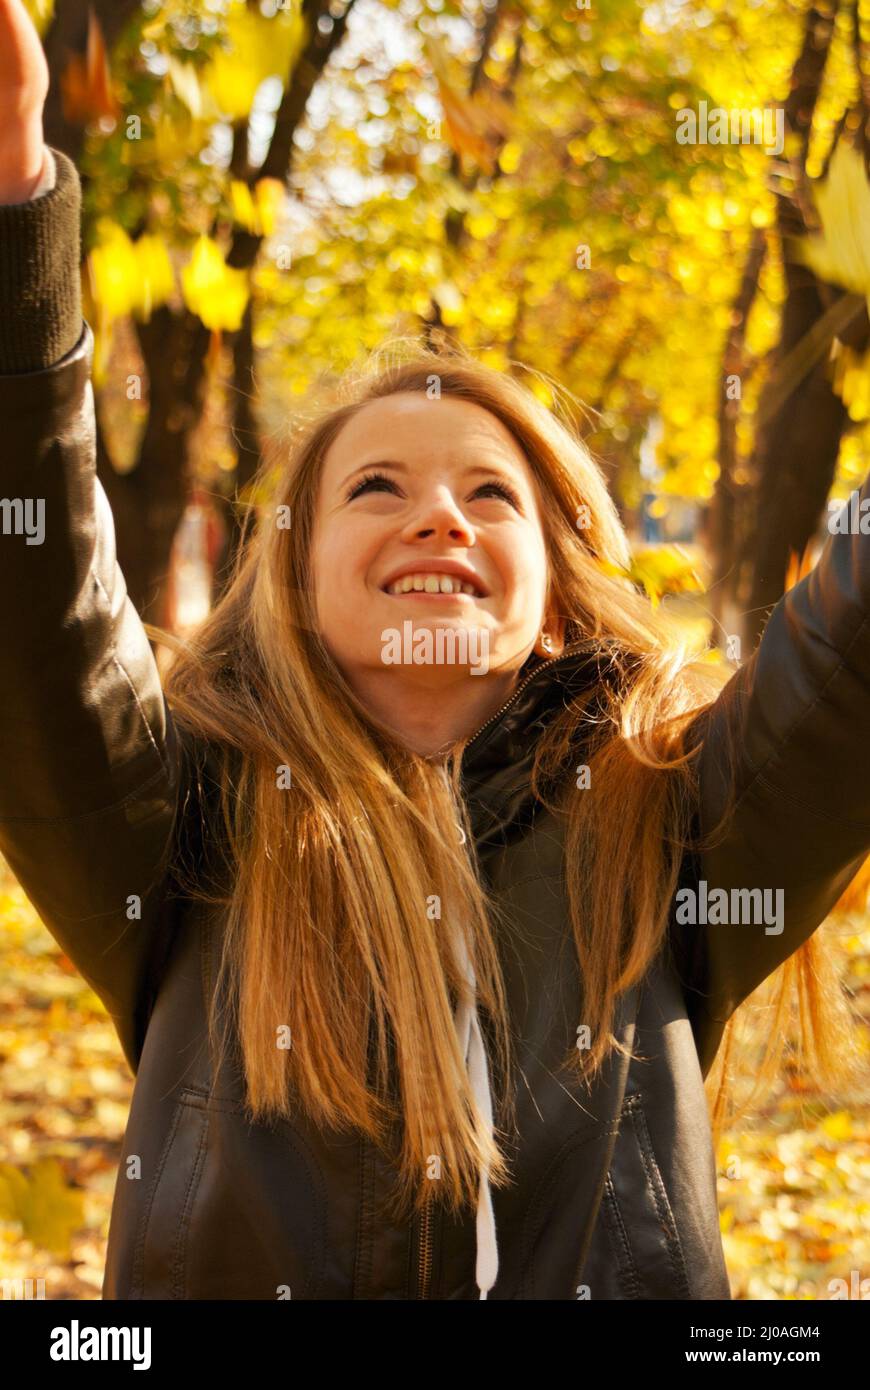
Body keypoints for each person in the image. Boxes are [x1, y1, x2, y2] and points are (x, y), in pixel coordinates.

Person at [0, 0, 867, 1301]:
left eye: (490, 494)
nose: (437, 514)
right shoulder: (181, 827)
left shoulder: (679, 826)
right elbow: (37, 608)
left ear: (558, 601)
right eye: (373, 488)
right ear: (290, 587)